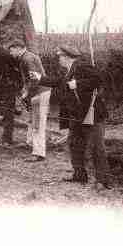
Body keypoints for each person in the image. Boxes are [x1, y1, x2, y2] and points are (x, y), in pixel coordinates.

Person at [30, 46, 111, 189]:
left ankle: (102, 181)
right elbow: (61, 82)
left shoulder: (81, 66)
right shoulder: (69, 70)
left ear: (67, 57)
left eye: (60, 56)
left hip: (92, 114)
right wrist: (40, 78)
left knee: (97, 147)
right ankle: (79, 175)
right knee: (75, 145)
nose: (58, 59)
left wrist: (78, 84)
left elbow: (99, 79)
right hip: (77, 116)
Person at [9, 40, 51, 161]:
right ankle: (30, 142)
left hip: (39, 92)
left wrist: (26, 93)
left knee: (37, 122)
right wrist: (25, 90)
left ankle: (39, 153)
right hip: (36, 92)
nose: (11, 53)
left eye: (12, 51)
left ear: (18, 48)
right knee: (32, 120)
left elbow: (35, 79)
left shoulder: (27, 59)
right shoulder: (25, 57)